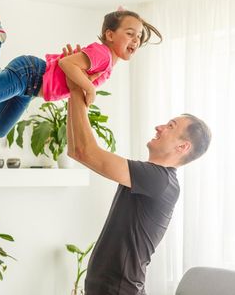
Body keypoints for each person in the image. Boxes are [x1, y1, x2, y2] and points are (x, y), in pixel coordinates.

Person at [63, 53, 212, 295]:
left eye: (170, 126)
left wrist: (78, 85)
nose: (159, 127)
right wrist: (74, 89)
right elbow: (75, 150)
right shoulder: (151, 177)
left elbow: (85, 151)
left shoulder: (158, 180)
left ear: (182, 147)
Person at [0, 7, 162, 138]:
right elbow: (66, 63)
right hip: (30, 74)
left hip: (30, 89)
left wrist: (84, 85)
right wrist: (90, 89)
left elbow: (72, 74)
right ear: (110, 35)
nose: (136, 40)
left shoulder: (108, 63)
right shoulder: (103, 54)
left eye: (138, 36)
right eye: (130, 34)